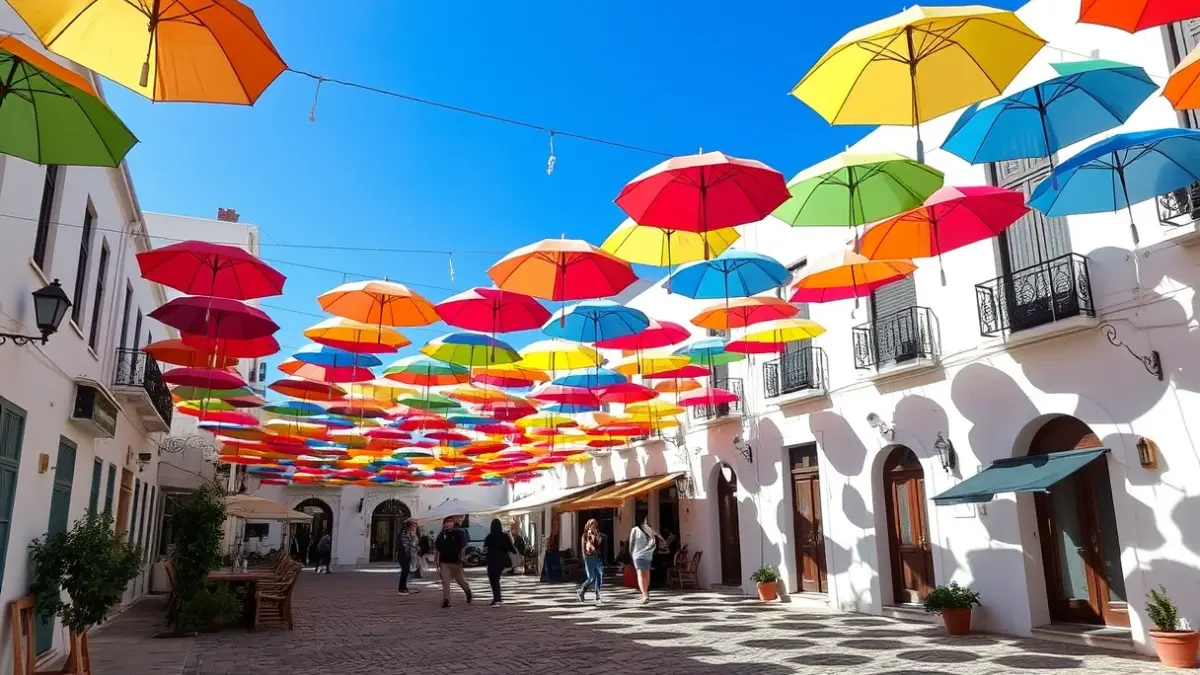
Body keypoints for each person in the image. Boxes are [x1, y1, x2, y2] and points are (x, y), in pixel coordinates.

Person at [434, 516, 472, 608]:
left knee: (460, 580)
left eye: (449, 521)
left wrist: (462, 558)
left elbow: (463, 547)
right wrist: (436, 560)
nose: (447, 523)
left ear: (453, 522)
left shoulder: (460, 532)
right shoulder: (441, 534)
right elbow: (437, 548)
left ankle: (467, 591)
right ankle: (446, 599)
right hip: (444, 562)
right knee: (445, 581)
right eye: (445, 522)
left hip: (455, 561)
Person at [484, 518, 518, 606]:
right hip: (502, 559)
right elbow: (511, 548)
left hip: (492, 560)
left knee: (493, 579)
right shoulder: (505, 536)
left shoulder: (489, 537)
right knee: (496, 578)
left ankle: (497, 598)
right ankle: (497, 597)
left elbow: (485, 548)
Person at [629, 517, 659, 604]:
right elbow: (654, 542)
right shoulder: (650, 529)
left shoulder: (634, 530)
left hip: (638, 555)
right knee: (646, 573)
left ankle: (644, 594)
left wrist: (632, 554)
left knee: (640, 574)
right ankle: (646, 593)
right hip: (648, 555)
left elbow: (631, 543)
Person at [576, 519, 605, 606]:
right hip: (588, 558)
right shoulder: (584, 536)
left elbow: (600, 544)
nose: (593, 526)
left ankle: (598, 596)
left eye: (595, 525)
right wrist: (584, 559)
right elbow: (583, 548)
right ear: (588, 525)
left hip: (597, 558)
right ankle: (582, 590)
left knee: (599, 576)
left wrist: (597, 536)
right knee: (591, 577)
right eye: (592, 525)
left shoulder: (597, 535)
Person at [397, 520, 420, 594]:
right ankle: (401, 588)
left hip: (409, 554)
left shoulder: (411, 534)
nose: (415, 527)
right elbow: (405, 544)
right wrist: (413, 546)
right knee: (405, 571)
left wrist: (416, 547)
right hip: (404, 554)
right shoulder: (403, 533)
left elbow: (414, 543)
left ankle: (404, 586)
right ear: (409, 526)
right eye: (413, 525)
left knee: (406, 571)